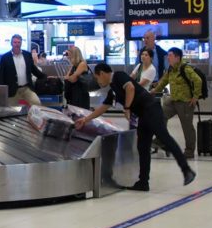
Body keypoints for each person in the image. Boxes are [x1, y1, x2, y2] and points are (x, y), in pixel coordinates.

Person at [75, 62, 196, 191]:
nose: (97, 81)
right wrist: (85, 120)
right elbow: (103, 108)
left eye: (97, 77)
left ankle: (187, 170)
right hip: (143, 115)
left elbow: (130, 88)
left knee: (165, 138)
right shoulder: (113, 90)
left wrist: (127, 108)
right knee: (143, 147)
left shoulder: (118, 76)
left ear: (103, 74)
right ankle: (143, 182)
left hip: (152, 109)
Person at [151, 48, 202, 158]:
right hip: (173, 100)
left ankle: (189, 151)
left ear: (177, 58)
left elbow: (198, 80)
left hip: (185, 102)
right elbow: (164, 81)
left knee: (187, 127)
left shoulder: (185, 68)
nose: (168, 57)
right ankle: (161, 140)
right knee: (160, 116)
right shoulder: (171, 69)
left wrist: (195, 97)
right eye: (168, 55)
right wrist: (155, 91)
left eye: (170, 55)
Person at [0, 34, 45, 106]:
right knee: (12, 111)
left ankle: (33, 117)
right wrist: (3, 91)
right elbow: (1, 76)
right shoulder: (5, 57)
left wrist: (45, 76)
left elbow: (33, 69)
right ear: (11, 43)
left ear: (21, 43)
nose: (17, 44)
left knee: (37, 103)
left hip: (26, 88)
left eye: (19, 42)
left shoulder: (27, 55)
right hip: (12, 90)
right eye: (15, 42)